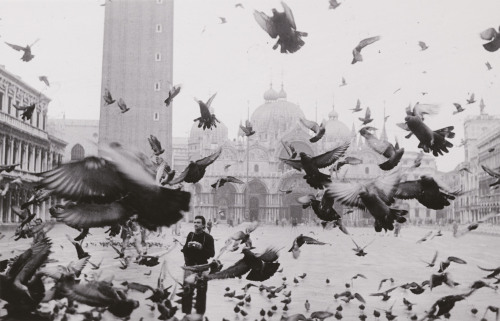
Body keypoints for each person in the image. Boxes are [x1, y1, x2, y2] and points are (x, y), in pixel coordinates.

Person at [181, 216, 215, 315]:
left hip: (202, 267)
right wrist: (188, 246)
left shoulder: (208, 238)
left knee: (201, 291)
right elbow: (184, 250)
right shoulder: (190, 235)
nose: (195, 224)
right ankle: (186, 314)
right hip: (189, 267)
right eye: (195, 222)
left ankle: (199, 314)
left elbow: (212, 254)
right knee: (187, 291)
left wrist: (201, 248)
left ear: (203, 225)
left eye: (198, 222)